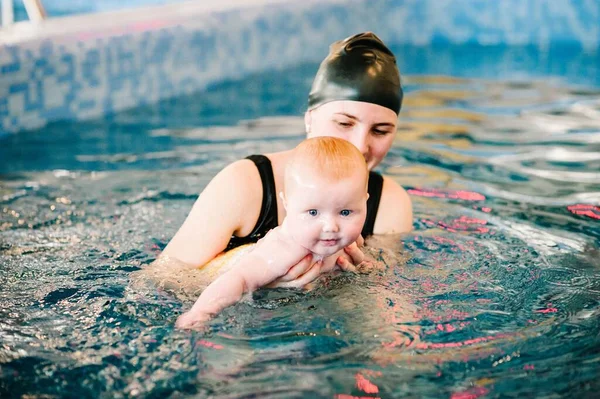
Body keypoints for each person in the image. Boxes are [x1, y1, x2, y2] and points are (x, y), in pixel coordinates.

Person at [145, 31, 413, 292]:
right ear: (309, 119)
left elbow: (389, 291)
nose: (359, 145)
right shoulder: (245, 185)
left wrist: (364, 276)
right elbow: (159, 281)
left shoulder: (389, 202)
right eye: (344, 123)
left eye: (380, 131)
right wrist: (251, 276)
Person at [176, 137, 370, 327]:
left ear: (364, 203)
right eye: (313, 212)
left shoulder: (348, 239)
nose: (331, 227)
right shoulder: (282, 250)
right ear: (287, 204)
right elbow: (239, 279)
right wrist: (201, 312)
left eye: (345, 212)